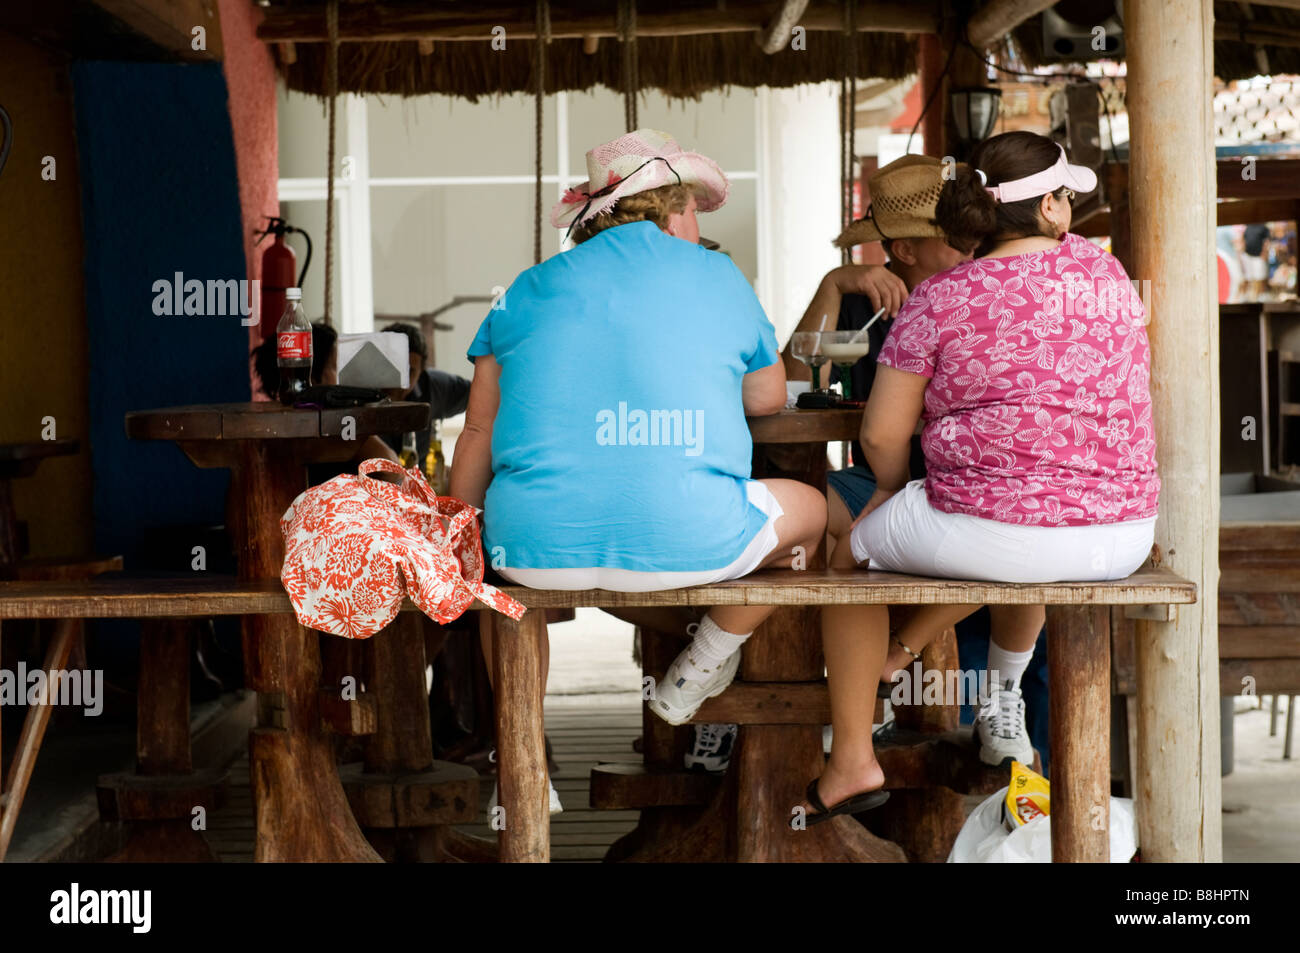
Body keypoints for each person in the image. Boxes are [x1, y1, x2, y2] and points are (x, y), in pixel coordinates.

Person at [449, 129, 826, 811]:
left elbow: (478, 427)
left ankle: (521, 755)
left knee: (498, 595)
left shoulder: (529, 286)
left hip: (531, 550)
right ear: (669, 210)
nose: (698, 225)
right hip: (690, 545)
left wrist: (456, 537)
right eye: (692, 210)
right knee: (813, 512)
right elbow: (769, 396)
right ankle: (703, 662)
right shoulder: (717, 275)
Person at [801, 131, 1160, 824]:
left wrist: (888, 488)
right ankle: (1000, 695)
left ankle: (852, 751)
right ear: (1053, 210)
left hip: (1000, 529)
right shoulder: (1105, 272)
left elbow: (879, 432)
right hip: (1121, 535)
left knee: (848, 560)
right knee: (1018, 538)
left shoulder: (940, 297)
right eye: (1066, 198)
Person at [786, 155, 1051, 765]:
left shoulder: (990, 291)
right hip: (889, 480)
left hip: (978, 485)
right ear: (903, 250)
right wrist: (835, 284)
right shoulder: (867, 300)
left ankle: (914, 671)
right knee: (803, 518)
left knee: (1015, 533)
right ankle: (824, 701)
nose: (971, 246)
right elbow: (797, 384)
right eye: (953, 239)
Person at [377, 322, 471, 462]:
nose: (399, 380)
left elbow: (486, 395)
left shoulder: (436, 387)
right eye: (393, 368)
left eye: (409, 371)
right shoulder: (356, 393)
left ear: (421, 372)